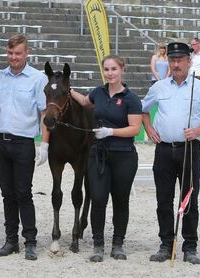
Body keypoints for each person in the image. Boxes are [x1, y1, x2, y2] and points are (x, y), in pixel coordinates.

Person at [141, 42, 200, 265]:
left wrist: (197, 131)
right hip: (164, 150)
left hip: (189, 150)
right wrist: (149, 129)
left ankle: (190, 246)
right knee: (163, 200)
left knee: (189, 200)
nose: (176, 64)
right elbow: (143, 111)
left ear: (189, 61)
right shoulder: (159, 87)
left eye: (180, 60)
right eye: (172, 60)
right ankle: (166, 244)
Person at [70, 55, 142, 262]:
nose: (110, 73)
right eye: (107, 70)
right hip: (98, 154)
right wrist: (68, 91)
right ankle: (98, 244)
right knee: (98, 199)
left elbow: (135, 129)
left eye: (113, 69)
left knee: (120, 201)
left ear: (122, 70)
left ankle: (118, 243)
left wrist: (111, 132)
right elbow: (85, 101)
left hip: (123, 155)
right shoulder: (98, 92)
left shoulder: (131, 99)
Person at [0, 34, 48, 261]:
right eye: (10, 54)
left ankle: (30, 241)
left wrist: (44, 144)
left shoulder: (38, 79)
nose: (13, 58)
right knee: (7, 194)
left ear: (26, 53)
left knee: (23, 193)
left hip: (23, 143)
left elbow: (44, 113)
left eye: (18, 53)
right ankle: (11, 241)